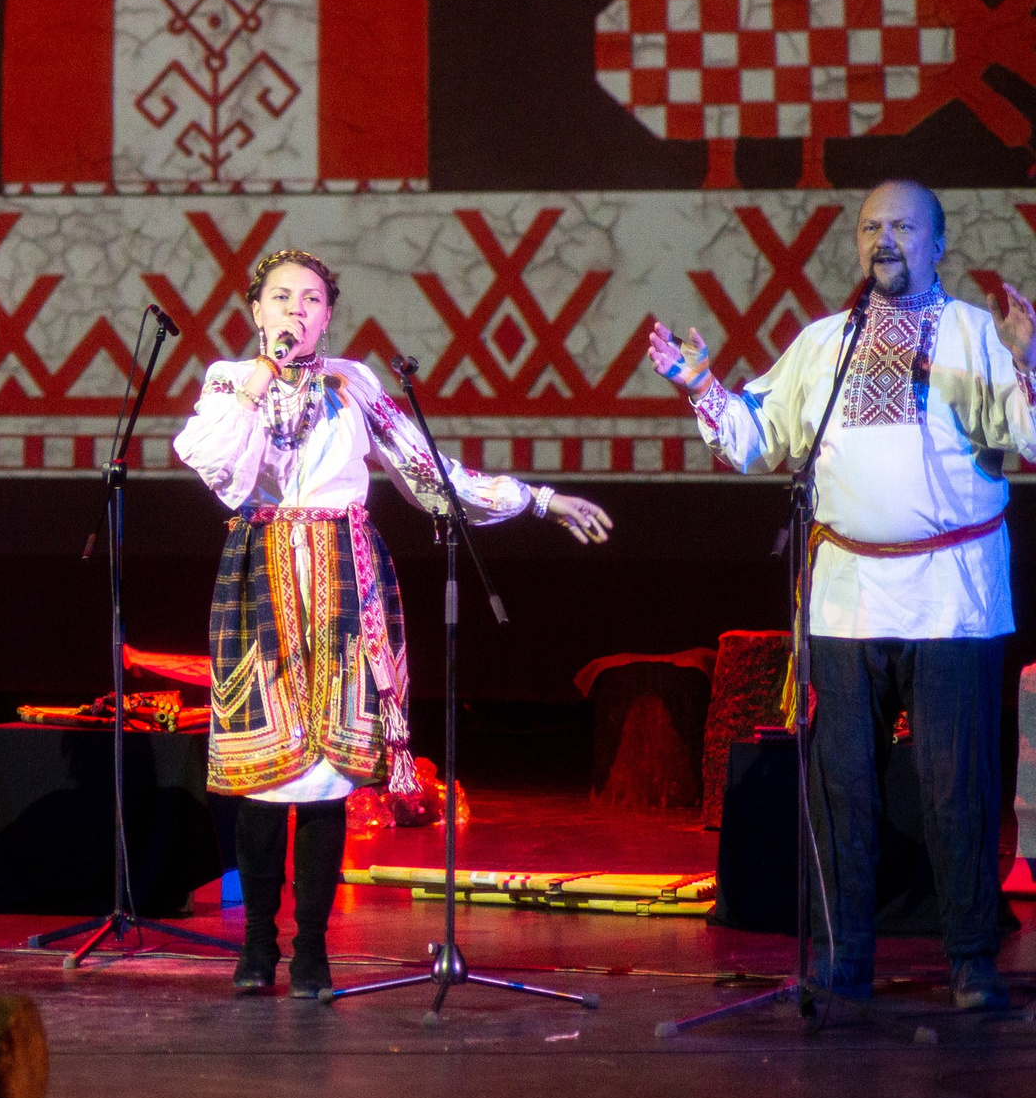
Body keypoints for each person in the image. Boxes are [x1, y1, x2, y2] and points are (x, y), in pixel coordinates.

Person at [172, 248, 615, 997]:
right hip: (261, 578)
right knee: (262, 777)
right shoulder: (227, 380)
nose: (295, 312)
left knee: (325, 778)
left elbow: (428, 474)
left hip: (345, 579)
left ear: (328, 316)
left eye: (311, 300)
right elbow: (221, 472)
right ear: (255, 310)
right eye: (281, 298)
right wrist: (260, 379)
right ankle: (256, 944)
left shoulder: (355, 382)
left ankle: (312, 949)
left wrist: (538, 500)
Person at [649, 180, 1033, 1011]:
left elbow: (1028, 434)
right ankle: (841, 958)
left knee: (954, 788)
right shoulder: (824, 343)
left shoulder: (979, 333)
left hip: (950, 597)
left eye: (902, 226)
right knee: (840, 788)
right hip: (845, 596)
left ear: (939, 243)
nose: (883, 239)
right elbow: (758, 439)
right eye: (870, 227)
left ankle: (971, 959)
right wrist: (700, 385)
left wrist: (1027, 363)